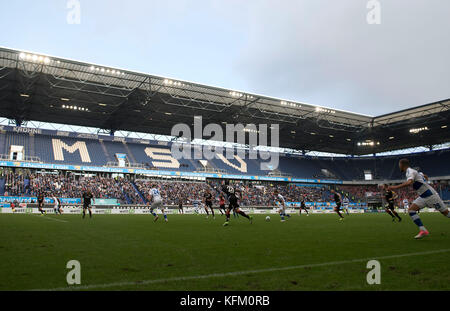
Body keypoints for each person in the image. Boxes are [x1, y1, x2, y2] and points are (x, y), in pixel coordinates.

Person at [388, 158, 449, 239]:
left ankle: (423, 230)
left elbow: (409, 182)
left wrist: (395, 187)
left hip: (431, 196)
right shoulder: (414, 171)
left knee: (446, 213)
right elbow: (424, 175)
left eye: (399, 165)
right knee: (411, 210)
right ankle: (423, 230)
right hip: (423, 196)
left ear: (402, 165)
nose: (399, 167)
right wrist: (425, 180)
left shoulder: (410, 171)